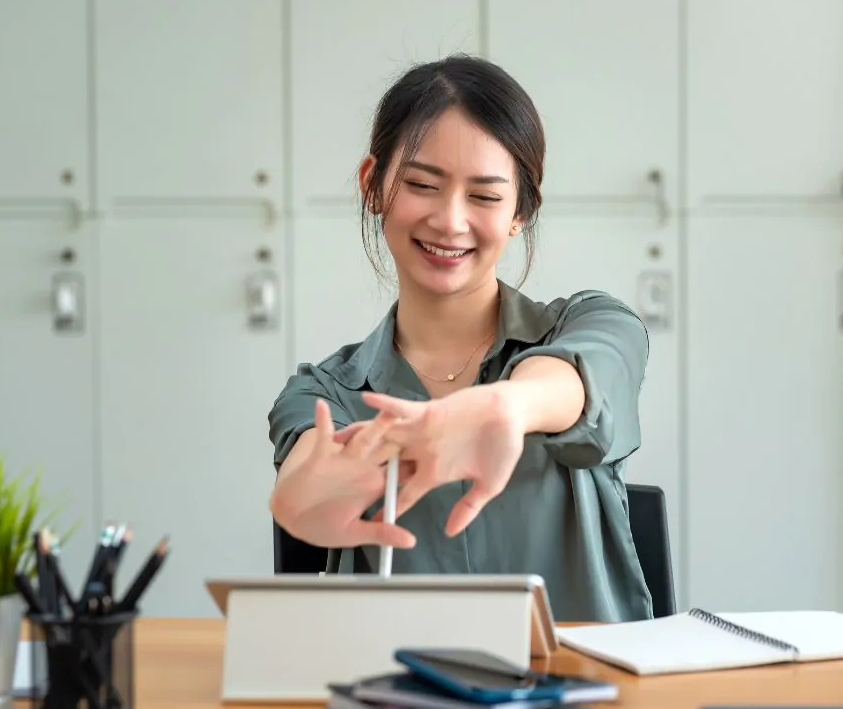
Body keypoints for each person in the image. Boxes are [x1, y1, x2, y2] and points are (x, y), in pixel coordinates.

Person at [267, 54, 653, 622]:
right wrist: (304, 496)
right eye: (423, 184)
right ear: (373, 186)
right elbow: (306, 468)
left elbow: (576, 380)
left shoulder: (594, 324)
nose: (450, 221)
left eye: (485, 196)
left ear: (520, 211)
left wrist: (503, 407)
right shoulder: (326, 392)